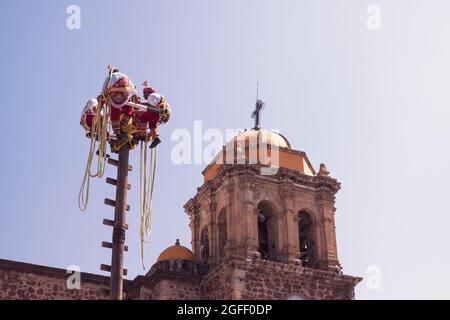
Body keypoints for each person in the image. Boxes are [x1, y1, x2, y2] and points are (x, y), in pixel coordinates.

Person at [133, 83, 171, 148]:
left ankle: (142, 134)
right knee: (151, 124)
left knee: (144, 117)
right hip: (160, 114)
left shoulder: (152, 95)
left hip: (158, 111)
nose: (143, 95)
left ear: (148, 92)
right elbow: (149, 105)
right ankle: (155, 138)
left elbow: (151, 106)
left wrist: (136, 105)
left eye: (144, 93)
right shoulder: (155, 97)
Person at [102, 68, 138, 136]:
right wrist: (136, 100)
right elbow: (133, 90)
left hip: (114, 99)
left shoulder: (109, 78)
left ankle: (118, 131)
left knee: (114, 113)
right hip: (125, 98)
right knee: (130, 110)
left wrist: (105, 99)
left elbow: (104, 89)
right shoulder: (125, 76)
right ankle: (123, 126)